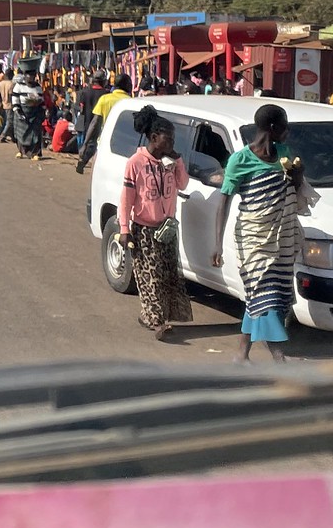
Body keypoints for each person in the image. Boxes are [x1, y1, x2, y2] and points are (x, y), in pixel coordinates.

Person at [211, 103, 309, 363]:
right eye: (285, 127)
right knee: (268, 298)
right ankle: (280, 360)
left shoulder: (285, 154)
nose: (287, 133)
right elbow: (224, 202)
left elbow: (294, 190)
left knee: (264, 295)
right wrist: (218, 245)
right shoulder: (239, 160)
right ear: (274, 128)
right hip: (254, 239)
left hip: (282, 238)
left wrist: (297, 176)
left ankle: (241, 355)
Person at [118, 108, 193, 340]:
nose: (171, 142)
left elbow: (183, 185)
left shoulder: (170, 161)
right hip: (144, 230)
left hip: (167, 229)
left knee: (167, 276)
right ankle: (156, 322)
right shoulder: (136, 163)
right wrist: (124, 230)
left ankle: (153, 316)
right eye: (167, 138)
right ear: (153, 138)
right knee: (150, 277)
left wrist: (178, 160)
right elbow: (126, 199)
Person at [75, 73, 131, 176]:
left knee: (99, 175)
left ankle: (83, 162)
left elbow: (95, 122)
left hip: (105, 143)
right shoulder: (131, 102)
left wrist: (85, 144)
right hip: (125, 147)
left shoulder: (105, 99)